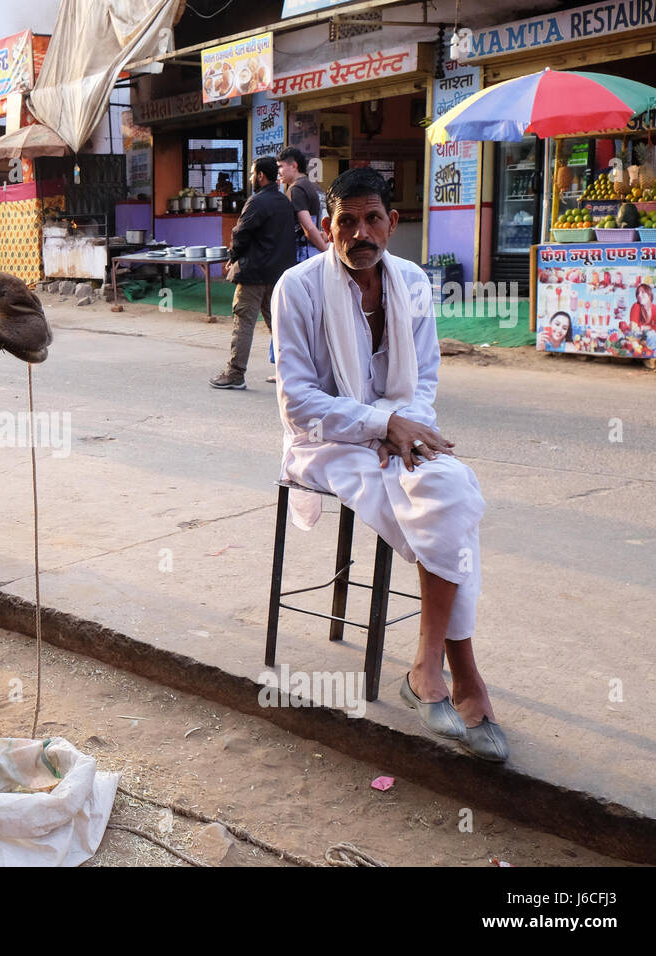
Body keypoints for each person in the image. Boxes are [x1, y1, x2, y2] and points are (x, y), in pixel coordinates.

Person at [272, 166, 505, 761]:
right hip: (326, 444)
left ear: (392, 223)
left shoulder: (412, 281)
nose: (359, 231)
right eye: (345, 220)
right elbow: (298, 402)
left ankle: (428, 667)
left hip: (398, 433)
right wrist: (379, 424)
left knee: (451, 489)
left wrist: (404, 427)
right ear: (328, 226)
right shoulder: (295, 289)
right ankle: (465, 677)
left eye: (372, 217)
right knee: (446, 503)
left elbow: (424, 379)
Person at [209, 156, 297, 390]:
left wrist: (232, 257)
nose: (250, 178)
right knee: (279, 326)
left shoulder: (257, 202)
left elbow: (240, 234)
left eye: (251, 173)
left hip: (253, 273)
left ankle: (235, 374)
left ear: (260, 176)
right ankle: (294, 374)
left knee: (244, 322)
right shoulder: (284, 203)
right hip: (279, 274)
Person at [277, 147, 328, 262]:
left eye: (280, 166)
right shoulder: (316, 187)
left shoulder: (296, 189)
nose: (278, 171)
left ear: (294, 166)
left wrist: (326, 252)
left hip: (307, 258)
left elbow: (308, 228)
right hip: (320, 255)